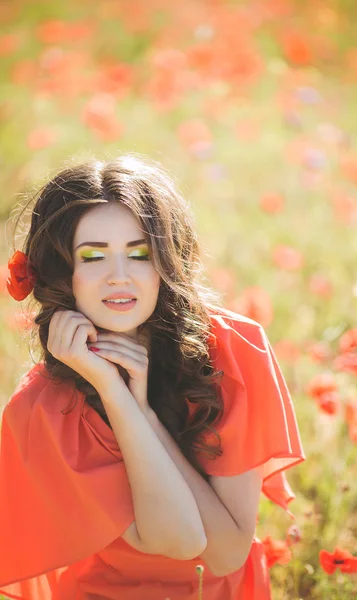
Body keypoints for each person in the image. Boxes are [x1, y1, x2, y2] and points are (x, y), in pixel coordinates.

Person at [0, 153, 306, 600]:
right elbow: (181, 539)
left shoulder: (233, 350)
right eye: (93, 257)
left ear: (166, 260)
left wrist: (143, 411)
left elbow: (224, 555)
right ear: (63, 274)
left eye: (139, 254)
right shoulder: (48, 409)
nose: (119, 278)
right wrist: (115, 391)